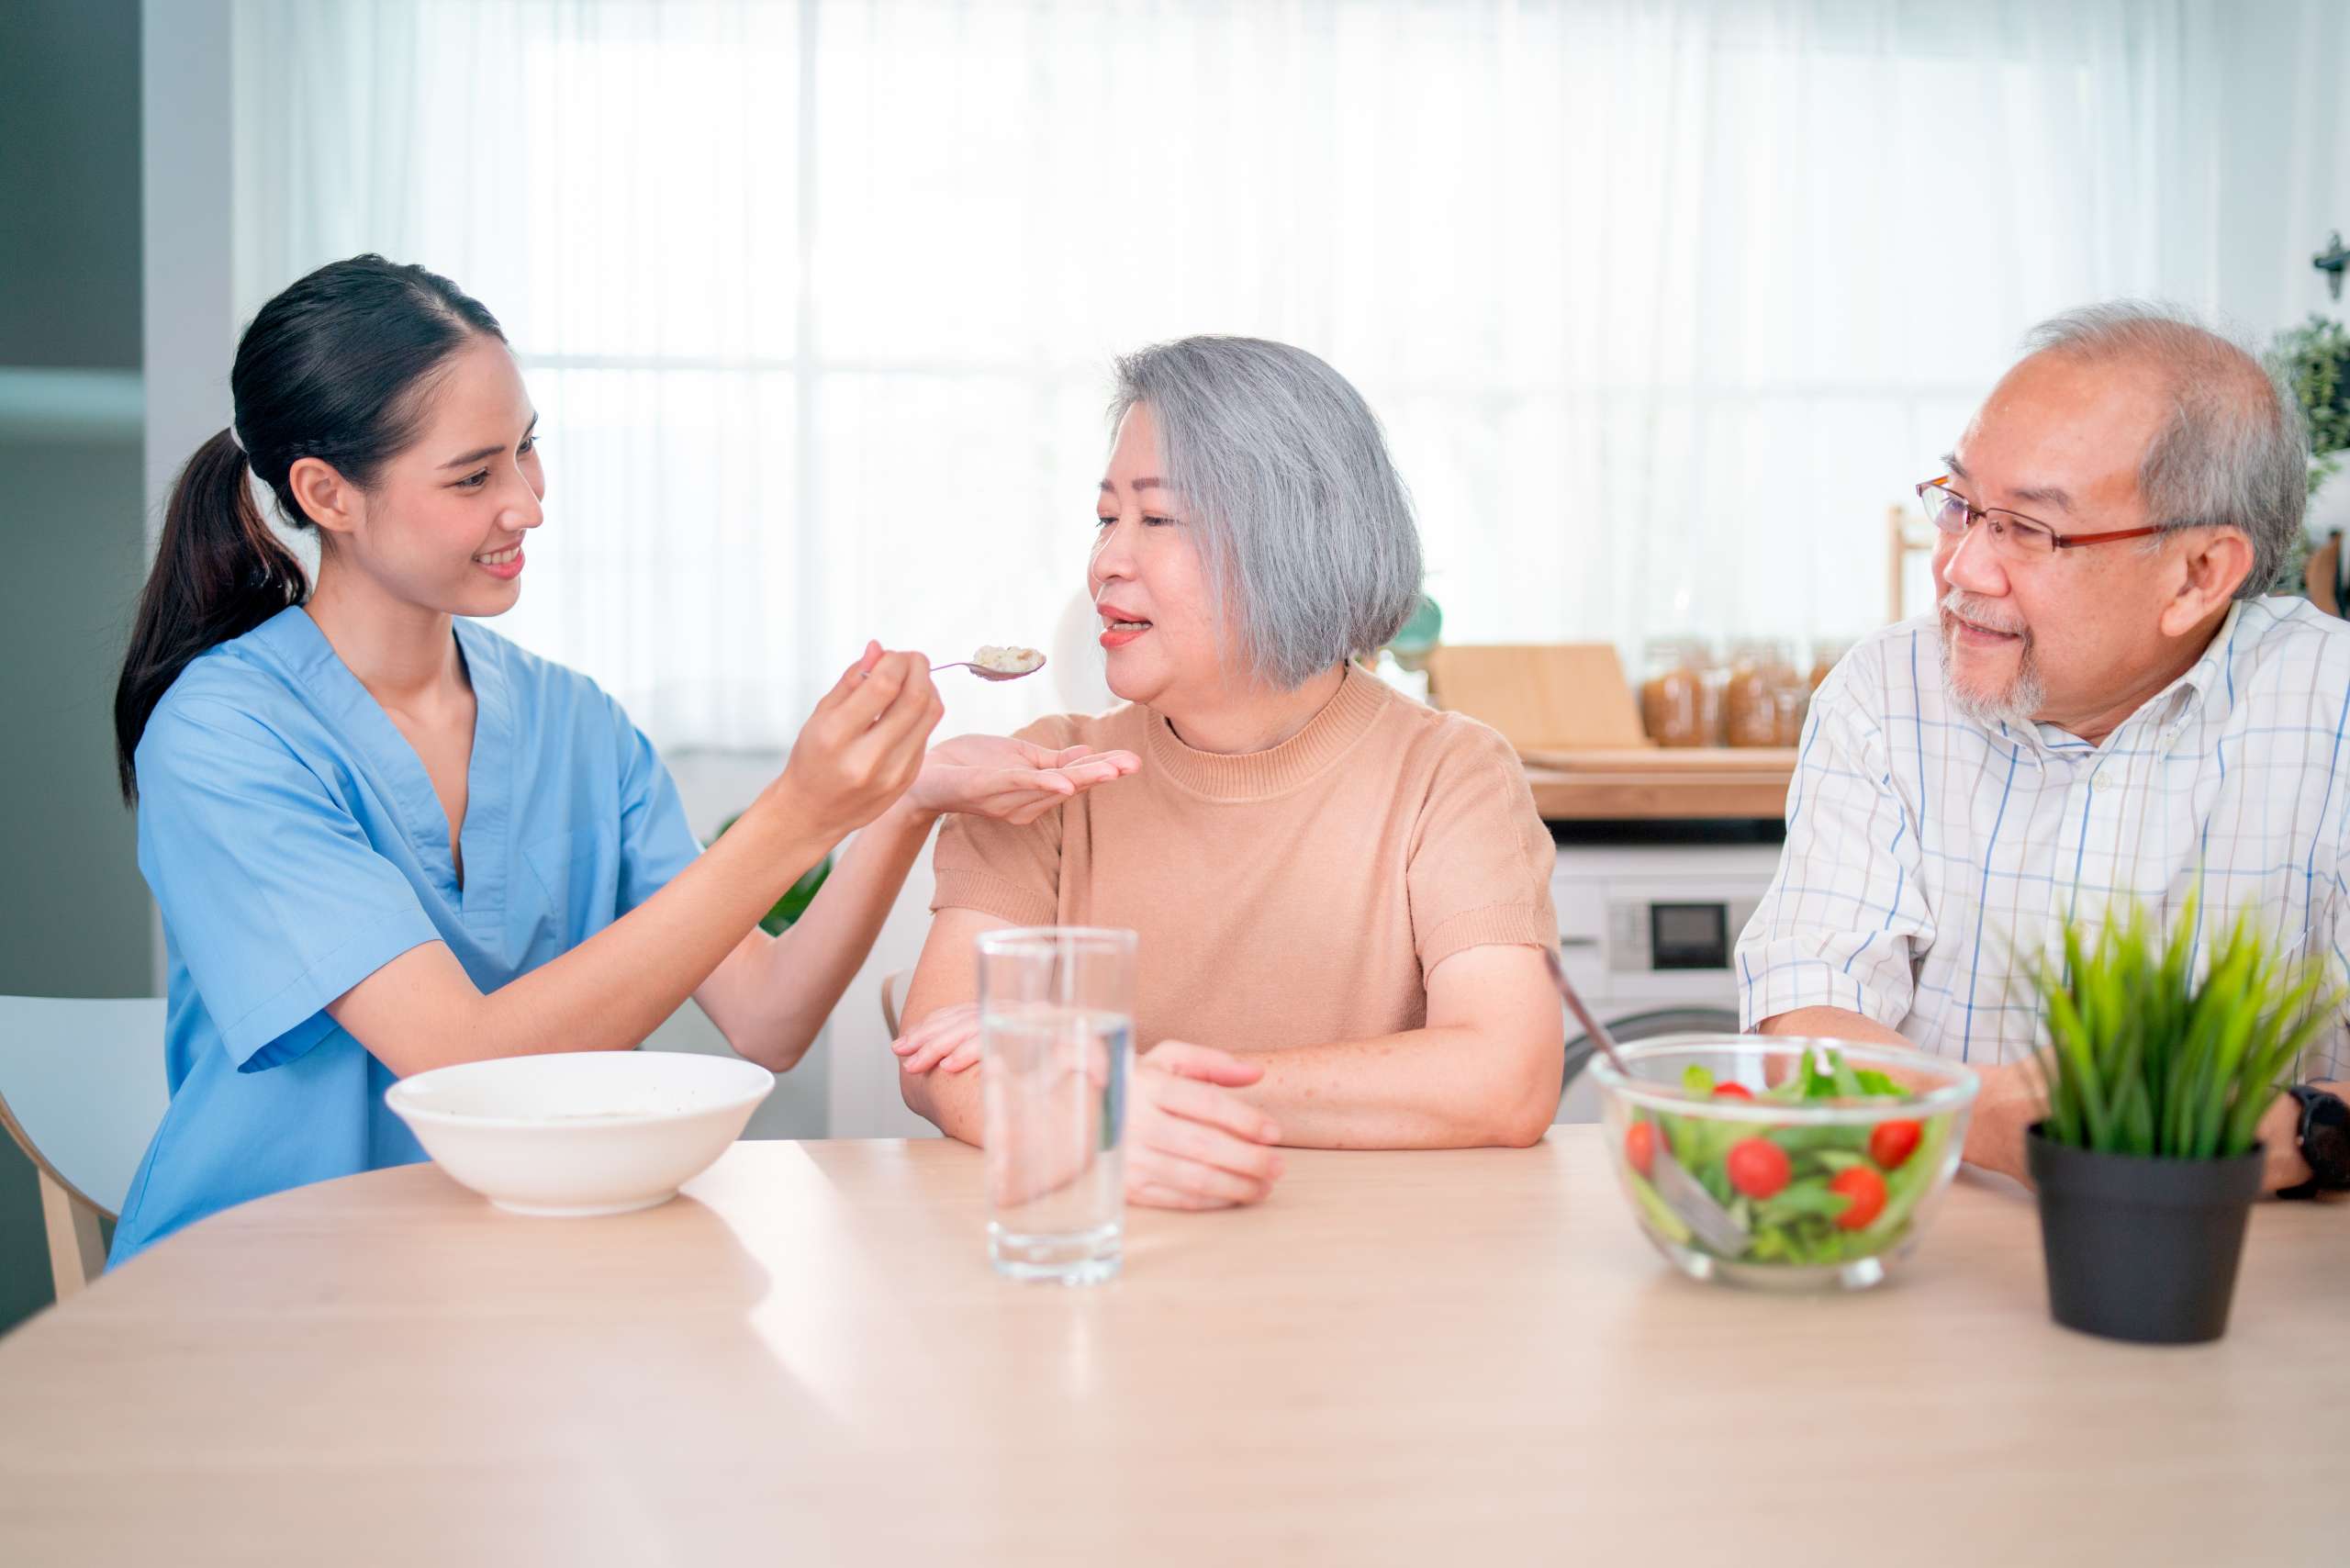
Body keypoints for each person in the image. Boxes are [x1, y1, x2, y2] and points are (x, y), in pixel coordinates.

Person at [109, 255, 1136, 1261]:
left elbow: (768, 1018)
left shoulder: (574, 723)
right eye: (473, 475)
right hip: (262, 1292)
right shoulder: (226, 735)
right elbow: (457, 1062)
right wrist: (796, 813)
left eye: (527, 449)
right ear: (327, 494)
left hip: (514, 1283)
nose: (527, 502)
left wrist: (900, 803)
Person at [893, 336, 1564, 1210]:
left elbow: (1505, 1076)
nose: (1106, 562)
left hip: (1375, 1288)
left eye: (1158, 520)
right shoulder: (1046, 774)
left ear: (1293, 539)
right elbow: (934, 1059)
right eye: (1106, 518)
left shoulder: (1451, 773)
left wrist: (1122, 1085)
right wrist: (1084, 1127)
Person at [1737, 302, 2350, 1197]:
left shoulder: (2332, 710)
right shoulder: (1884, 690)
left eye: (2027, 529)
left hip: (2260, 1280)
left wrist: (2278, 1133)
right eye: (1958, 504)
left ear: (2198, 575)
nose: (1959, 569)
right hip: (1933, 1263)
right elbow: (1803, 1012)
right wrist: (1975, 1114)